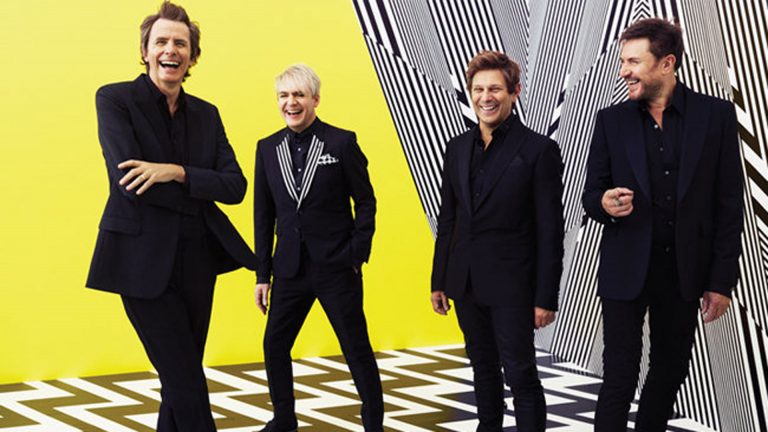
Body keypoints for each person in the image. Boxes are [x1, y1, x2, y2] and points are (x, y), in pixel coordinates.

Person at [86, 2, 253, 431]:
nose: (170, 50)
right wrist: (199, 183)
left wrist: (176, 172)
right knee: (184, 378)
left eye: (180, 43)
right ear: (145, 51)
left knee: (182, 376)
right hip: (139, 260)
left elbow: (235, 187)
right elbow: (130, 179)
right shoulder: (115, 99)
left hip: (198, 259)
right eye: (161, 41)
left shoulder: (207, 114)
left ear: (192, 57)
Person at [582, 18, 743, 431]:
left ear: (667, 63)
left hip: (684, 272)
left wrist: (720, 282)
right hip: (625, 271)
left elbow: (729, 205)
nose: (624, 71)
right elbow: (591, 194)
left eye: (634, 62)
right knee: (618, 377)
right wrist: (603, 203)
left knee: (670, 371)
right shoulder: (610, 120)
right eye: (623, 61)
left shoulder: (716, 116)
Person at [430, 50, 565, 432]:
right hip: (465, 282)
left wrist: (545, 297)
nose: (485, 97)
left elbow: (550, 230)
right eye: (478, 89)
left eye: (495, 89)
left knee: (520, 373)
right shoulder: (457, 148)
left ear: (514, 92)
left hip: (513, 285)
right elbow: (449, 219)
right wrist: (439, 280)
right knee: (482, 368)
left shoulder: (539, 150)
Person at [253, 64, 384, 432]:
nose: (291, 102)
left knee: (355, 348)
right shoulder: (267, 148)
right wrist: (262, 275)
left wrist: (356, 254)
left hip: (336, 268)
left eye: (299, 95)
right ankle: (284, 419)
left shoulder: (341, 142)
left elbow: (366, 202)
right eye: (284, 95)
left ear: (315, 100)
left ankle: (373, 424)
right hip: (289, 270)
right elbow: (263, 216)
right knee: (274, 345)